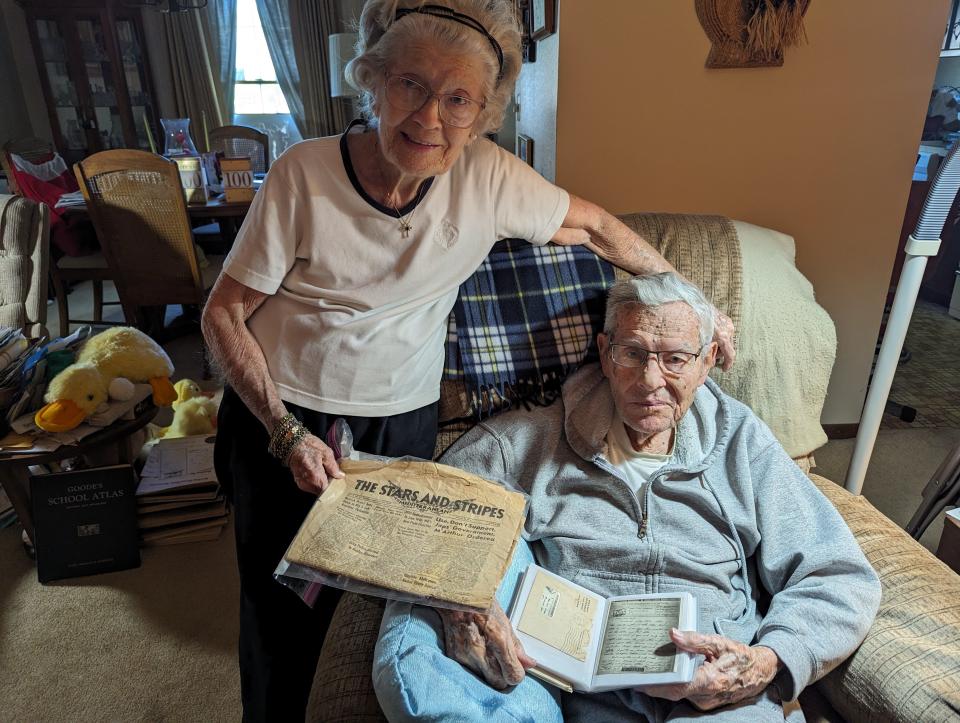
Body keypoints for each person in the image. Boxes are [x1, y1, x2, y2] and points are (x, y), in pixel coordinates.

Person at [202, 1, 737, 719]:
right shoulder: (302, 175)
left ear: (485, 113)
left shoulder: (488, 176)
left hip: (401, 424)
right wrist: (284, 430)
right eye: (410, 86)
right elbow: (222, 312)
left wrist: (696, 305)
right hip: (283, 412)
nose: (429, 119)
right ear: (372, 82)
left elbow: (600, 229)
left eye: (458, 99)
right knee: (277, 615)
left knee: (379, 610)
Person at [373, 272, 882, 722]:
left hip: (721, 697)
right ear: (604, 353)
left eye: (675, 359)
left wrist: (769, 661)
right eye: (633, 354)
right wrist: (464, 602)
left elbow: (838, 575)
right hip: (581, 697)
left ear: (707, 363)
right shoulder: (523, 444)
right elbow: (408, 513)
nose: (650, 381)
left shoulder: (741, 443)